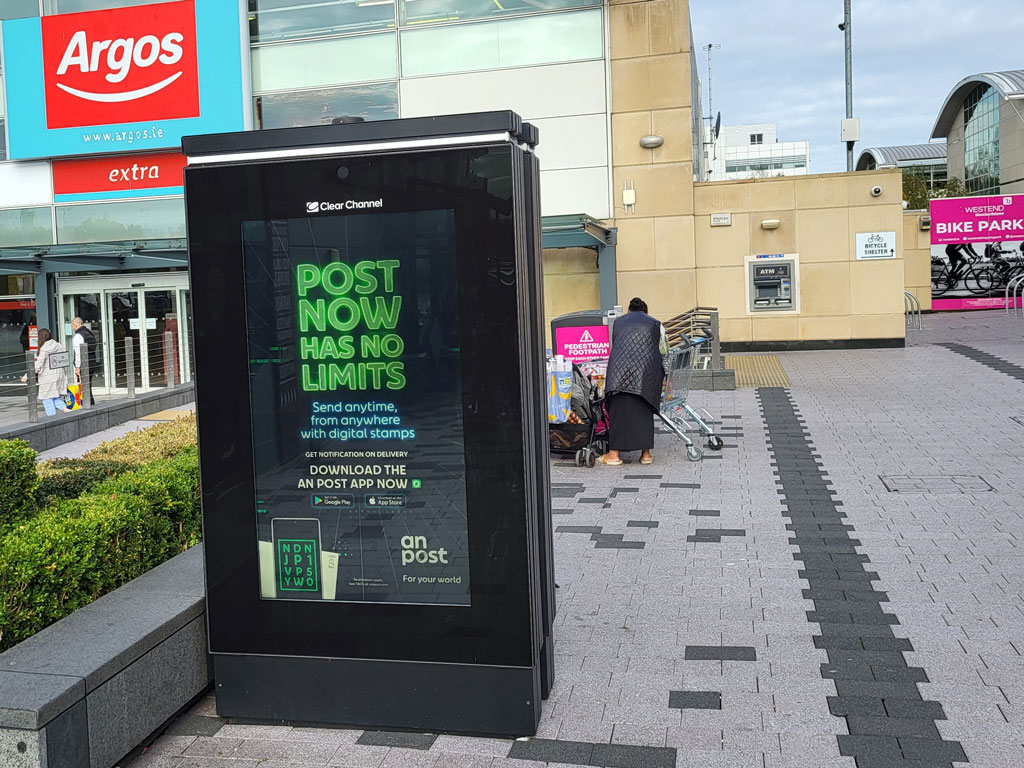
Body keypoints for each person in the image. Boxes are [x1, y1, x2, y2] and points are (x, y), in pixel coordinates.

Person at [601, 297, 667, 466]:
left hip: (619, 372)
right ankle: (646, 455)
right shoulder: (656, 324)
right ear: (646, 312)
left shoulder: (618, 322)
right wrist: (666, 376)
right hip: (646, 374)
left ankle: (614, 455)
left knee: (618, 411)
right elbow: (664, 351)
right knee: (644, 410)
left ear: (628, 310)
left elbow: (617, 345)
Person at [22, 328, 69, 417]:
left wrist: (26, 375)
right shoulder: (58, 345)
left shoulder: (45, 348)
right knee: (54, 397)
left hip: (48, 377)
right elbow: (63, 360)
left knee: (46, 398)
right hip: (59, 375)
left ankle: (52, 418)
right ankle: (66, 409)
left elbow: (39, 363)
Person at [71, 317, 100, 405]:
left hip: (84, 364)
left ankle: (88, 404)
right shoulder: (90, 333)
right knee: (88, 385)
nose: (73, 328)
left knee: (84, 386)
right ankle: (90, 403)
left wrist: (77, 367)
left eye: (72, 326)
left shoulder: (78, 336)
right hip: (92, 362)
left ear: (76, 325)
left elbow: (78, 353)